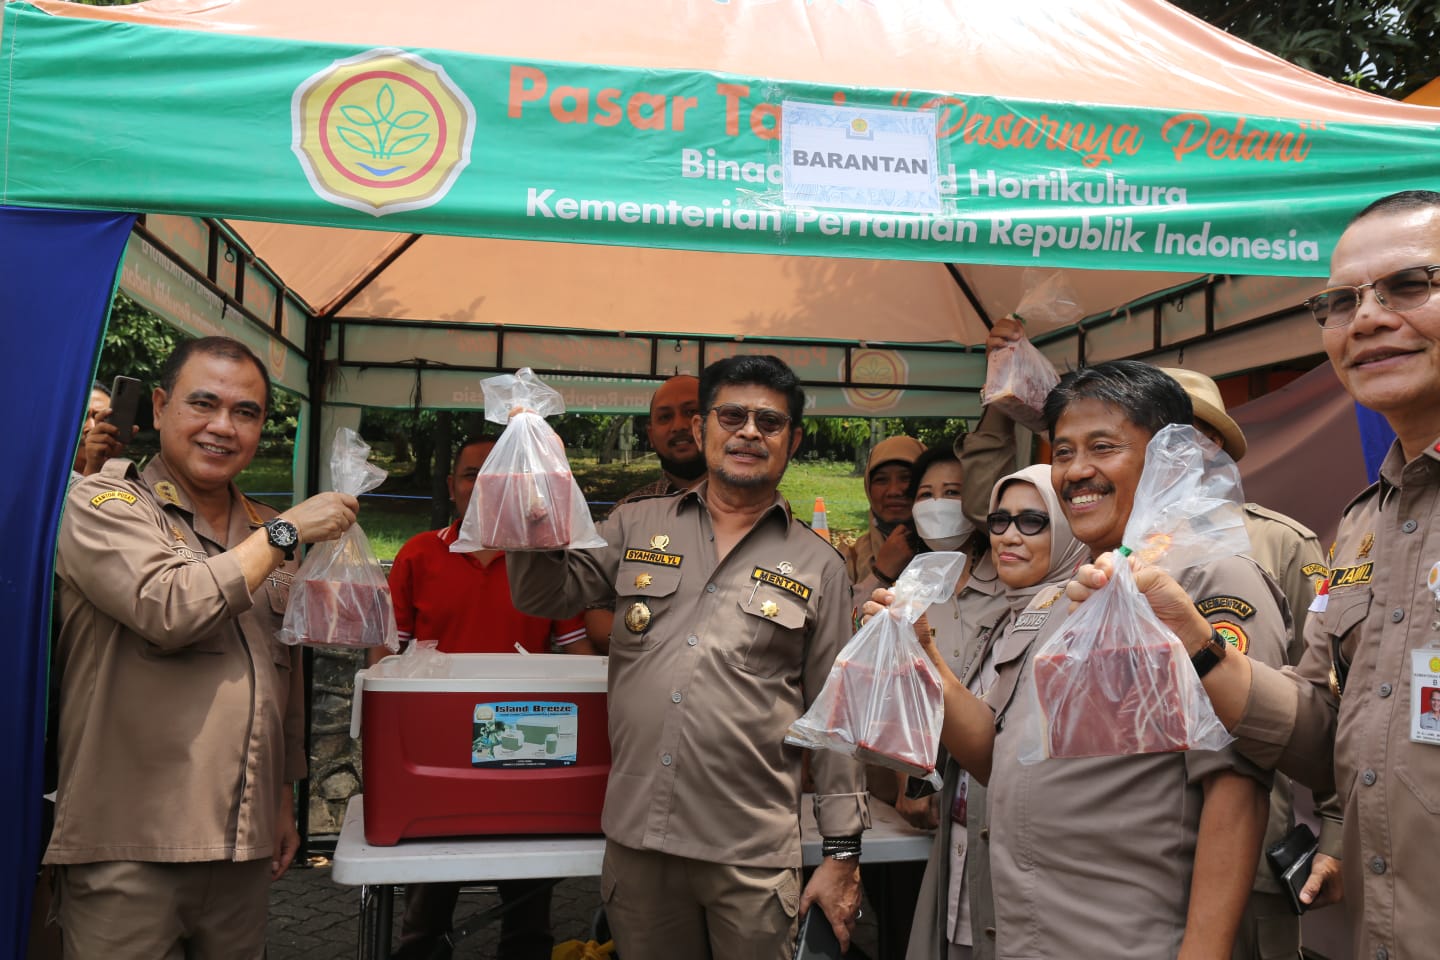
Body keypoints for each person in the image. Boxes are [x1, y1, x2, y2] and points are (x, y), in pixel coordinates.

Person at [871, 360, 1288, 959]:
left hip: (1134, 940)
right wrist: (924, 654)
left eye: (1104, 446)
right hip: (1030, 935)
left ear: (1169, 455)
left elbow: (1235, 788)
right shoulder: (1060, 597)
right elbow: (997, 756)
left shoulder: (1206, 580)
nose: (1077, 470)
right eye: (1063, 451)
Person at [1142, 189, 1440, 960]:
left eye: (1409, 285)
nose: (1367, 317)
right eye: (1340, 302)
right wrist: (1198, 638)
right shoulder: (1366, 523)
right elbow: (1323, 735)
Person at [508, 354, 868, 960]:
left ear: (793, 440)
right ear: (703, 430)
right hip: (641, 847)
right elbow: (544, 592)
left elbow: (837, 718)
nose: (750, 431)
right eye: (732, 415)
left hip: (751, 856)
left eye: (770, 422)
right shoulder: (633, 525)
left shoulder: (819, 565)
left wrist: (841, 856)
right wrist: (531, 517)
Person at [46, 336, 359, 959]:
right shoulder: (103, 505)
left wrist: (280, 802)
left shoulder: (260, 526)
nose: (223, 427)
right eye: (204, 404)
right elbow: (170, 607)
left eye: (246, 413)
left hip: (241, 847)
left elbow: (283, 679)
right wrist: (285, 531)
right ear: (160, 407)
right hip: (130, 846)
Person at [370, 435, 593, 960]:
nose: (487, 485)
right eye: (473, 474)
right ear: (452, 487)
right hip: (436, 755)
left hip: (530, 750)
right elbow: (384, 657)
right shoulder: (419, 553)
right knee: (426, 911)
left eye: (504, 475)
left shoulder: (548, 566)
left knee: (530, 911)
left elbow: (578, 655)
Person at [1158, 366, 1334, 960]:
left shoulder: (1281, 543)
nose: (1177, 451)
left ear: (1217, 448)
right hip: (1145, 835)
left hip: (1254, 827)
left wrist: (1334, 828)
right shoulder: (1111, 544)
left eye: (1190, 435)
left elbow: (1330, 689)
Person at [906, 463, 1085, 960]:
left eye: (1033, 521)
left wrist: (926, 656)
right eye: (1000, 521)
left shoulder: (1079, 624)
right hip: (968, 855)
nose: (1009, 535)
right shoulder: (1008, 621)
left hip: (1032, 877)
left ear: (1071, 530)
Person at [584, 374, 705, 652]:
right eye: (665, 418)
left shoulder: (751, 513)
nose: (678, 426)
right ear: (651, 435)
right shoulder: (627, 514)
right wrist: (653, 650)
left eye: (691, 412)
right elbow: (597, 614)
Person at [845, 434, 926, 595]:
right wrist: (881, 574)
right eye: (881, 480)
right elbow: (838, 618)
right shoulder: (850, 559)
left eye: (906, 478)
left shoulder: (954, 552)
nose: (894, 491)